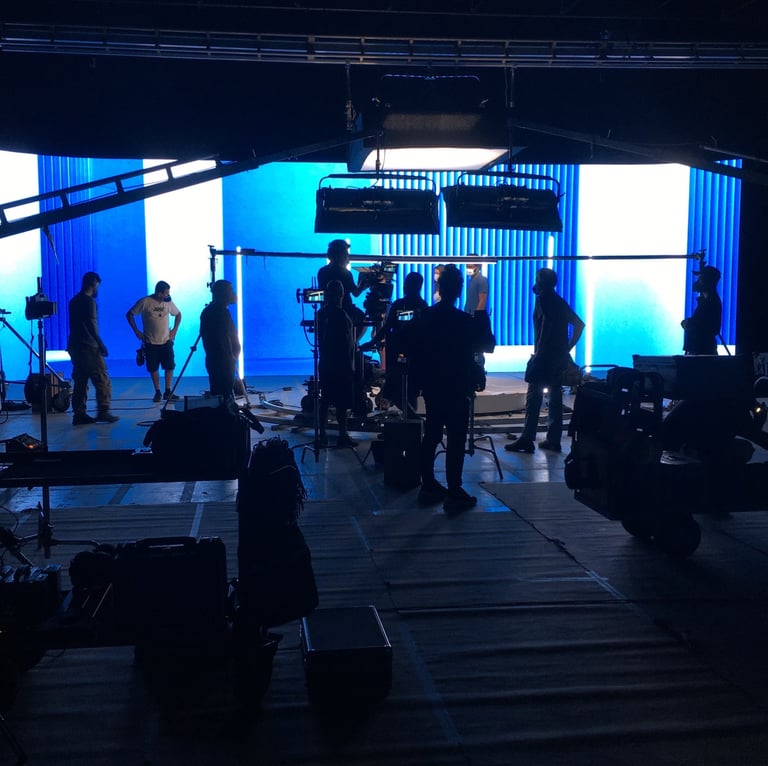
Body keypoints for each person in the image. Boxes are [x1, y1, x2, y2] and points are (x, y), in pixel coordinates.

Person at [410, 264, 493, 515]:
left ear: (440, 287)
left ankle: (428, 485)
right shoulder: (464, 321)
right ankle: (454, 490)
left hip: (433, 384)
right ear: (458, 291)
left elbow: (412, 346)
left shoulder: (425, 316)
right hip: (457, 386)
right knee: (456, 439)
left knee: (431, 434)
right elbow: (485, 345)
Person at [506, 267, 584, 454]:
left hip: (544, 358)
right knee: (555, 398)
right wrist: (567, 348)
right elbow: (579, 325)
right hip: (558, 358)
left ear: (541, 282)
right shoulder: (559, 301)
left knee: (534, 397)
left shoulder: (543, 300)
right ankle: (554, 440)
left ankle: (527, 438)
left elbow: (546, 327)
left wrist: (539, 354)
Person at [361, 271, 428, 414]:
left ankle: (411, 418)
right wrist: (373, 342)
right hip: (398, 352)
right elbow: (387, 326)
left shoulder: (422, 307)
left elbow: (388, 327)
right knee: (396, 390)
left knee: (410, 391)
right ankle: (410, 416)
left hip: (412, 355)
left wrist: (373, 342)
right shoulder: (402, 304)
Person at [67, 271, 119, 425]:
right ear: (93, 284)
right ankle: (103, 411)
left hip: (75, 346)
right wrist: (101, 344)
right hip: (88, 347)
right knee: (102, 378)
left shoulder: (74, 301)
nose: (97, 289)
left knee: (80, 381)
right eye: (97, 286)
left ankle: (79, 414)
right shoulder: (89, 302)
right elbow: (91, 325)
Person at [316, 279, 357, 448]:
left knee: (325, 399)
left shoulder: (320, 313)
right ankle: (342, 434)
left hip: (326, 362)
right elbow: (347, 342)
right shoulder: (341, 315)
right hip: (341, 364)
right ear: (342, 294)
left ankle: (322, 434)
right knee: (341, 402)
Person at [126, 280, 182, 402]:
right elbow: (130, 314)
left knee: (170, 366)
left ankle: (168, 391)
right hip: (151, 342)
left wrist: (174, 330)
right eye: (166, 293)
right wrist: (136, 331)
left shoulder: (168, 302)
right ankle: (157, 392)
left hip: (166, 341)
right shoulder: (145, 302)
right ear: (159, 293)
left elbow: (178, 314)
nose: (168, 295)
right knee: (153, 368)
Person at [317, 239, 367, 341]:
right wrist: (363, 285)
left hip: (326, 310)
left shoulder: (322, 271)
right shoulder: (345, 273)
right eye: (346, 256)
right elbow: (356, 293)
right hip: (346, 310)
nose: (348, 260)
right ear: (341, 256)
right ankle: (353, 343)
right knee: (363, 319)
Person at [199, 279, 241, 402]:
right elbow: (224, 337)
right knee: (223, 396)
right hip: (224, 361)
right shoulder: (221, 313)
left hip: (218, 360)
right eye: (231, 290)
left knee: (219, 395)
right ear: (224, 293)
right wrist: (232, 355)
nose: (233, 294)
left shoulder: (208, 311)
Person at [681, 265, 722, 355]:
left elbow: (707, 327)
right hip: (701, 350)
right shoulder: (709, 300)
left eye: (700, 279)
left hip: (701, 351)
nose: (698, 282)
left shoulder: (710, 302)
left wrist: (688, 323)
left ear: (706, 281)